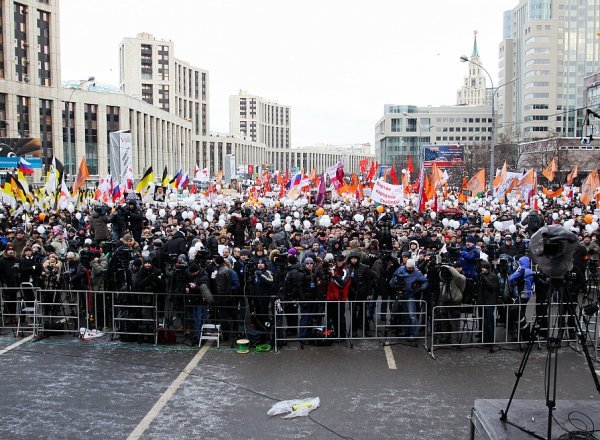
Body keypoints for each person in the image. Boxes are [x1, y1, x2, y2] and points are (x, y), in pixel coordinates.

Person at [389, 258, 428, 339]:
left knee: (412, 316)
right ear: (406, 266)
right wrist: (394, 282)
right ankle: (405, 331)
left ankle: (414, 334)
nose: (410, 269)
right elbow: (392, 278)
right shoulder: (400, 269)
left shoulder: (417, 272)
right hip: (400, 294)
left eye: (412, 268)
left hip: (410, 295)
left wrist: (421, 288)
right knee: (404, 314)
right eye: (409, 268)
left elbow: (426, 281)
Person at [475, 261, 500, 351]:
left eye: (484, 268)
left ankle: (491, 340)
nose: (482, 269)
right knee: (483, 321)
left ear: (488, 269)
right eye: (482, 268)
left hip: (490, 301)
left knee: (489, 321)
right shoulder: (481, 276)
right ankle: (484, 338)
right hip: (482, 301)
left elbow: (493, 287)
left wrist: (484, 279)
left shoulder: (493, 276)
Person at [326, 254, 351, 338]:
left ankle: (341, 335)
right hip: (331, 297)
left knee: (340, 318)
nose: (338, 262)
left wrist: (334, 275)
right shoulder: (334, 269)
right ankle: (333, 334)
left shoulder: (345, 270)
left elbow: (342, 284)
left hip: (339, 298)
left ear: (343, 261)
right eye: (337, 261)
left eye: (340, 261)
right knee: (331, 318)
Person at [185, 262, 211, 344]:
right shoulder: (196, 276)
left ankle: (199, 337)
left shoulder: (204, 277)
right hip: (195, 300)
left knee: (199, 319)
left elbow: (204, 289)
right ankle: (197, 336)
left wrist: (195, 287)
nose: (192, 274)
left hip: (200, 301)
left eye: (193, 272)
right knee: (196, 319)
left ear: (197, 271)